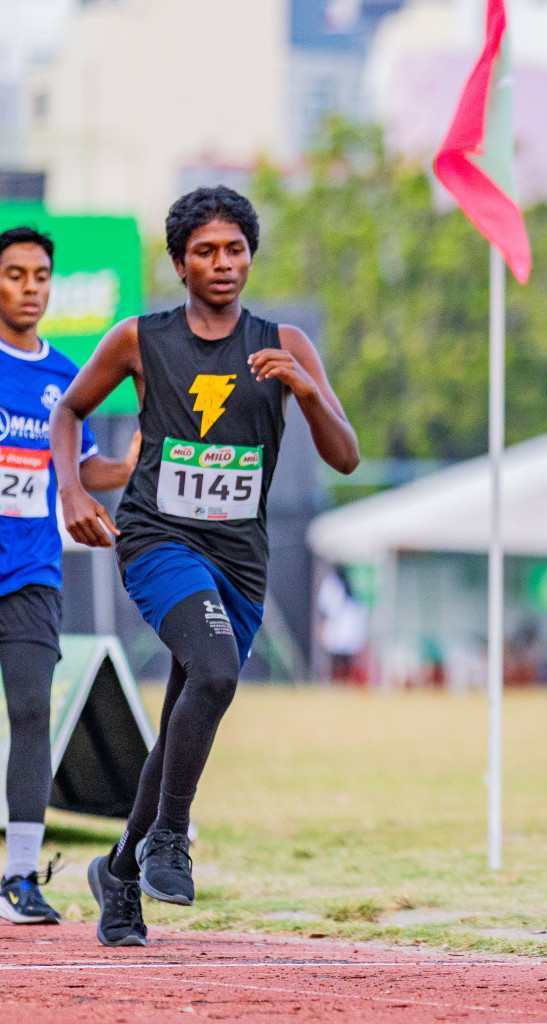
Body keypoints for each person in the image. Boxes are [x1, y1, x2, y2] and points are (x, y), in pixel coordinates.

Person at [50, 187, 360, 947]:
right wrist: (69, 493)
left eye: (235, 250)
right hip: (159, 541)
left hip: (241, 562)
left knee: (190, 712)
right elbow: (68, 413)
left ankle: (119, 873)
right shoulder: (139, 338)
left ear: (251, 256)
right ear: (180, 262)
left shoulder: (282, 340)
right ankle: (170, 836)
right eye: (205, 252)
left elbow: (345, 456)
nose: (222, 264)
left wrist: (308, 392)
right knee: (217, 674)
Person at [0, 226, 138, 924]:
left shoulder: (66, 375)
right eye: (16, 274)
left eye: (40, 275)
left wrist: (139, 459)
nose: (30, 287)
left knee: (30, 712)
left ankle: (19, 876)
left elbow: (84, 473)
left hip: (30, 573)